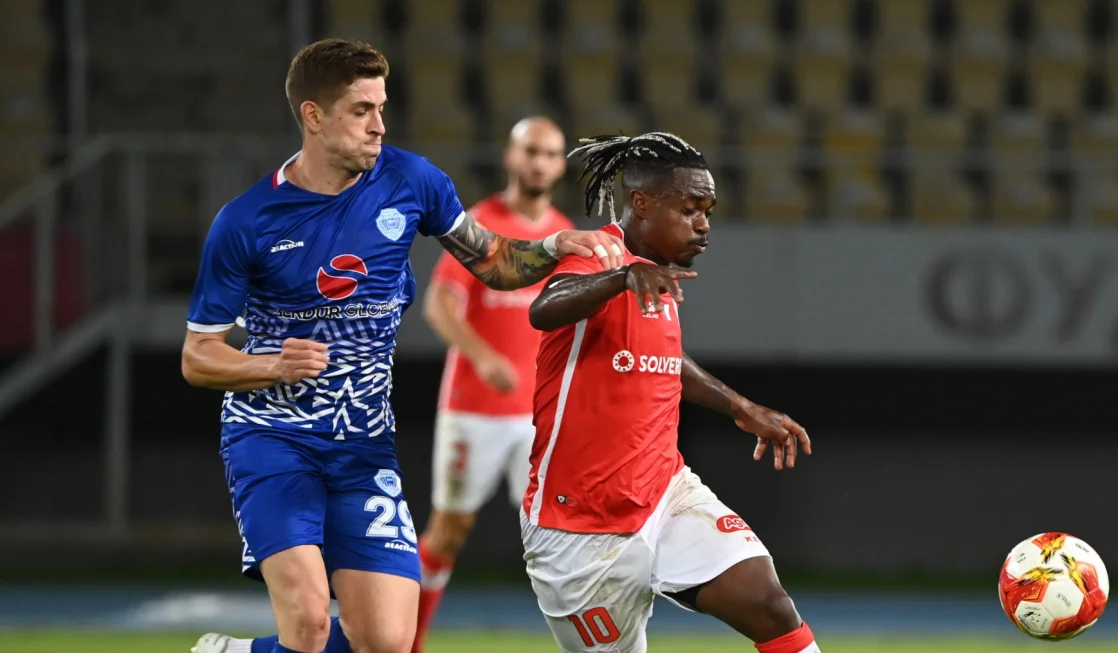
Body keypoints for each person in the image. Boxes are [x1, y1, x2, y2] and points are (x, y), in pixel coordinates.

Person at [184, 39, 622, 653]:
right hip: (273, 440)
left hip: (364, 446)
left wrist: (554, 248)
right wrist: (269, 364)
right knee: (308, 625)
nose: (379, 125)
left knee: (388, 641)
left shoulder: (413, 181)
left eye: (382, 107)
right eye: (361, 110)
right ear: (314, 116)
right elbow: (198, 355)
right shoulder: (247, 221)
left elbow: (494, 261)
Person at [519, 132, 819, 653]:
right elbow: (545, 307)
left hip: (664, 492)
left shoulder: (657, 273)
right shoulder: (602, 256)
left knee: (769, 604)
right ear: (642, 202)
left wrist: (741, 407)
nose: (704, 223)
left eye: (708, 210)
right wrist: (622, 277)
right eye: (690, 208)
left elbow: (662, 362)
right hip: (580, 525)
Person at [412, 115, 573, 651]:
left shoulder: (563, 237)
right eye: (531, 151)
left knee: (560, 539)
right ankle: (404, 641)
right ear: (510, 157)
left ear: (560, 165)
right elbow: (438, 304)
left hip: (537, 418)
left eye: (550, 153)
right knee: (448, 532)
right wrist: (482, 357)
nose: (539, 162)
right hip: (474, 410)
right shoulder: (480, 224)